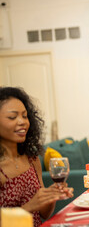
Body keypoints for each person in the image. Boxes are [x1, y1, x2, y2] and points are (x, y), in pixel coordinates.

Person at [0, 87, 73, 227]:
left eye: (25, 116)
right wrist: (29, 206)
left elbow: (43, 214)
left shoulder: (31, 159)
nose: (22, 122)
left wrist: (50, 196)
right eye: (12, 117)